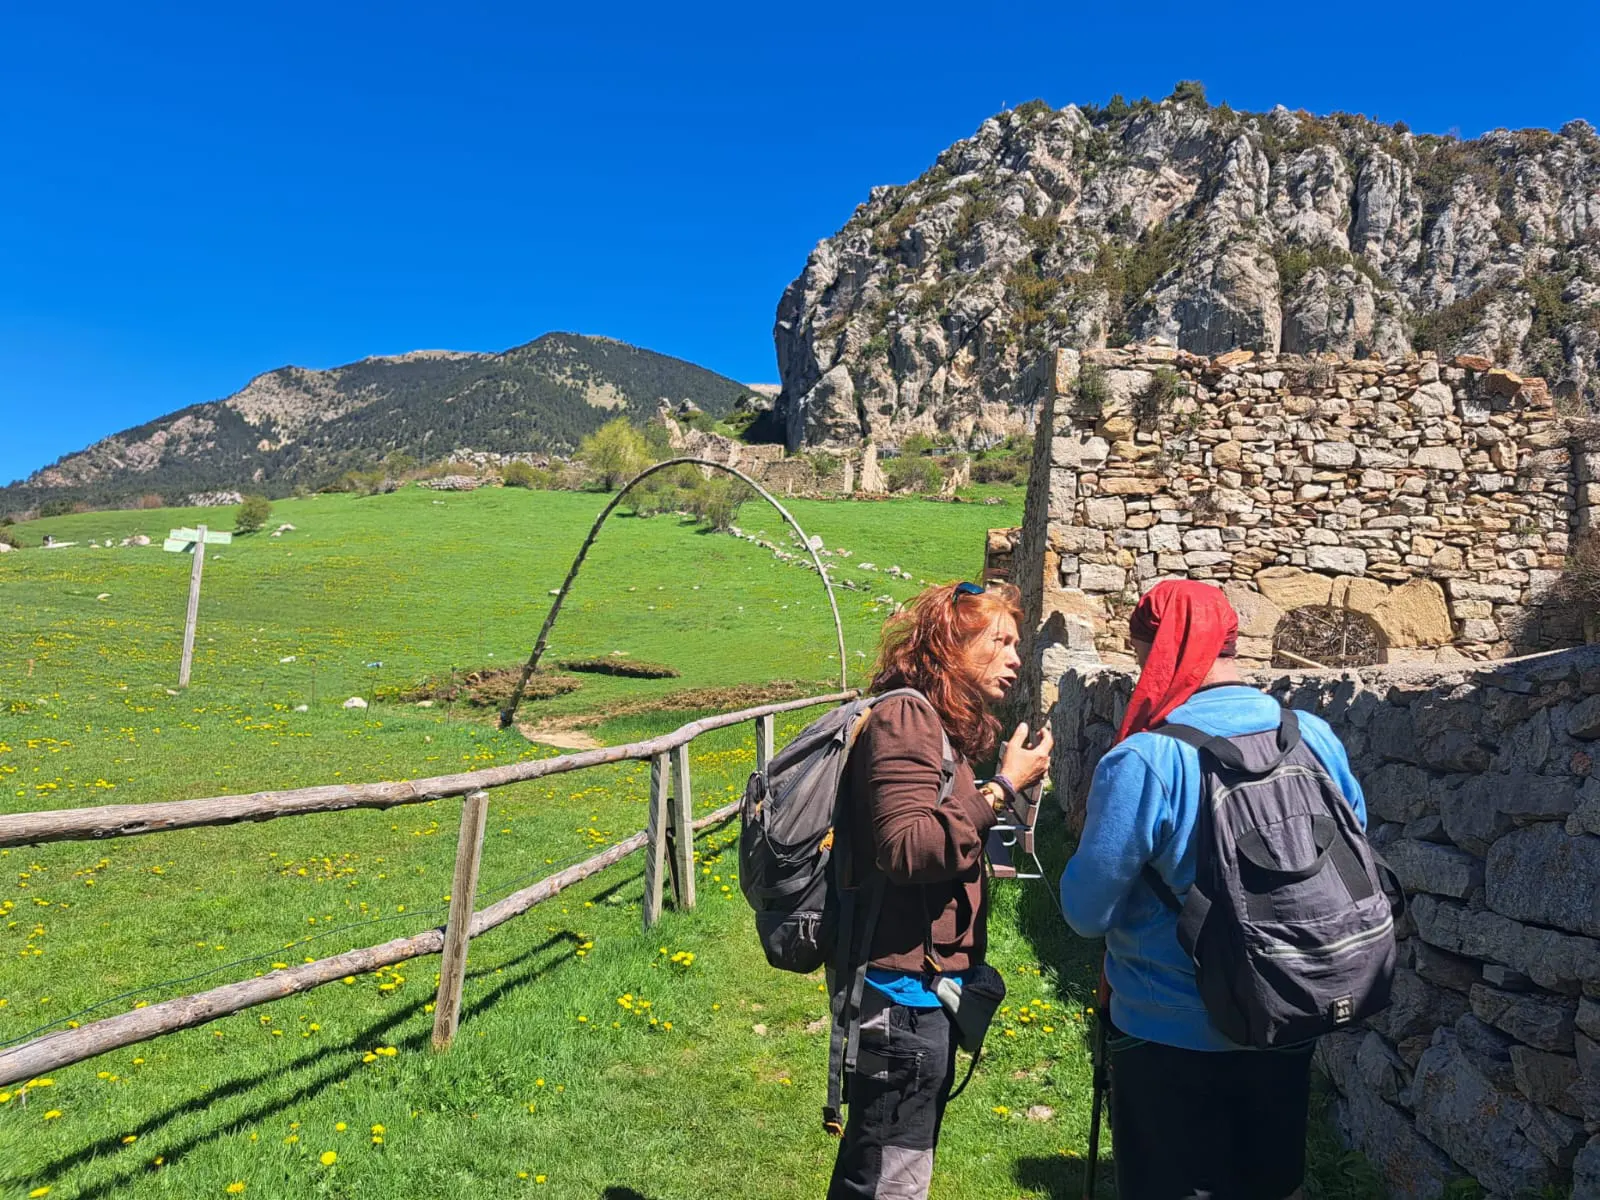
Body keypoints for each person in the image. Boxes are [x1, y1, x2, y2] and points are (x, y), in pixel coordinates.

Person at [1059, 580, 1367, 1200]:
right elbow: (1353, 847)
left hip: (1167, 1027)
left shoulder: (1148, 759)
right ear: (1232, 641)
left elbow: (1086, 913)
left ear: (1154, 650)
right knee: (1270, 1184)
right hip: (1289, 1006)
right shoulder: (1311, 735)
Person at [829, 580, 1053, 1200]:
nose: (1015, 658)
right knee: (889, 1180)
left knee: (882, 1166)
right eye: (1000, 642)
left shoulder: (933, 727)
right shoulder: (907, 718)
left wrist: (1003, 791)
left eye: (1017, 644)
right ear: (951, 645)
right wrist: (1002, 787)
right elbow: (904, 847)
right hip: (898, 994)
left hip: (919, 990)